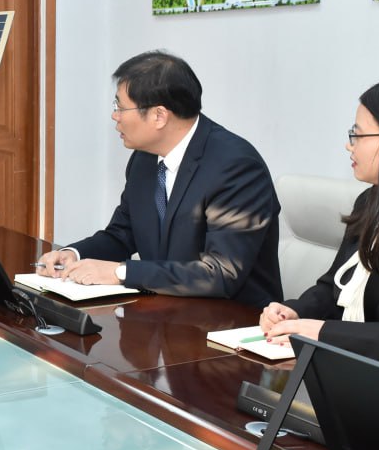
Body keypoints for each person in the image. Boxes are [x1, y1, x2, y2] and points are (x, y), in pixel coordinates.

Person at [36, 51, 282, 307]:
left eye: (120, 107)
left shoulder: (237, 167)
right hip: (167, 310)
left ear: (159, 116)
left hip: (232, 319)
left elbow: (221, 273)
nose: (115, 116)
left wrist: (120, 272)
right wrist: (74, 255)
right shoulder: (144, 158)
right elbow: (123, 234)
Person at [260, 74, 379, 372]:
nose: (349, 146)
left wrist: (326, 333)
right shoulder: (372, 200)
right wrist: (294, 312)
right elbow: (334, 286)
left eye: (358, 135)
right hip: (354, 370)